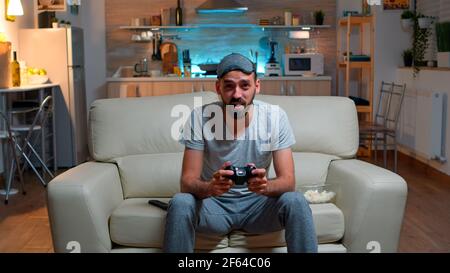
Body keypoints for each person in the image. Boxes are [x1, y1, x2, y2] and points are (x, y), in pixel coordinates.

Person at [163, 53, 317, 253]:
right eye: (229, 86)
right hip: (214, 207)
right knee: (180, 202)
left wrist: (264, 186)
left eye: (245, 85)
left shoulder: (275, 117)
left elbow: (288, 181)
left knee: (295, 200)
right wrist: (211, 187)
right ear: (218, 88)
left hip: (259, 208)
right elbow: (187, 182)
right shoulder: (199, 117)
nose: (237, 94)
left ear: (257, 86)